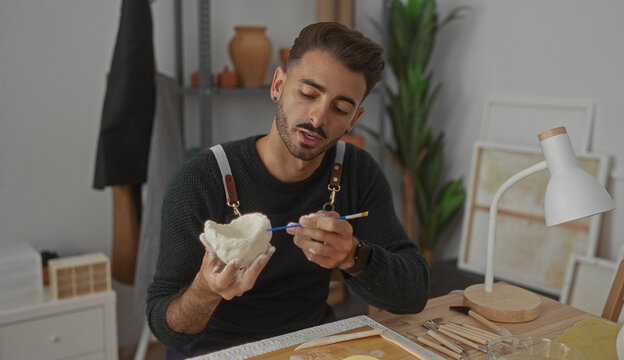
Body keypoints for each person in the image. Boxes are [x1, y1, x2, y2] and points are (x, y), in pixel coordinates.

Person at [146, 22, 429, 359]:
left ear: (354, 118)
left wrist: (353, 257)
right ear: (278, 85)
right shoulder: (202, 178)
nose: (318, 118)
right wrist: (207, 291)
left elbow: (414, 294)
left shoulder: (355, 171)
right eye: (308, 93)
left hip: (310, 348)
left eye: (340, 109)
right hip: (217, 351)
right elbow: (164, 325)